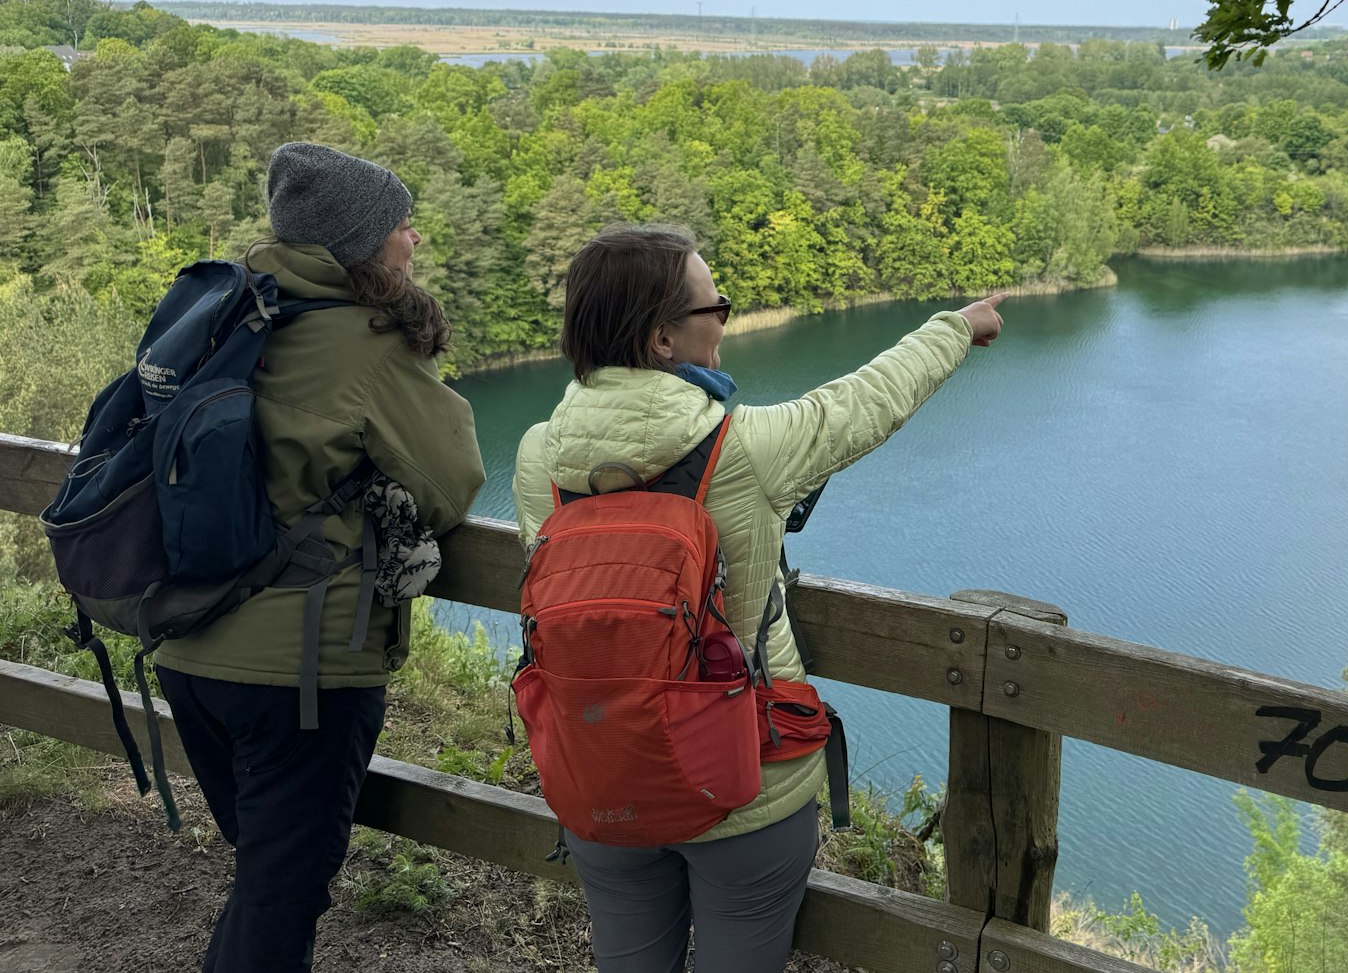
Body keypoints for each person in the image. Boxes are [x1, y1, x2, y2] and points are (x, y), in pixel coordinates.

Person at [513, 223, 1007, 973]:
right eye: (717, 308)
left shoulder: (538, 454)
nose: (725, 321)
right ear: (661, 341)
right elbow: (869, 398)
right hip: (743, 779)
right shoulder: (746, 446)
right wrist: (956, 327)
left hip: (600, 769)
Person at [155, 141, 487, 973]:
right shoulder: (369, 343)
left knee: (265, 878)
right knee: (280, 896)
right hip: (298, 677)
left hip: (190, 649)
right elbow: (454, 483)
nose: (414, 238)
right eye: (400, 225)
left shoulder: (229, 312)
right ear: (361, 242)